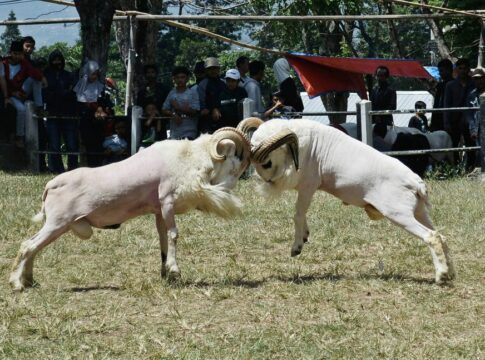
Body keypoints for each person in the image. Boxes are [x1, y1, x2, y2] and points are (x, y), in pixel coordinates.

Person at [1, 40, 44, 148]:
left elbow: (34, 73)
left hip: (21, 90)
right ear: (10, 53)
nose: (17, 56)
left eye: (19, 54)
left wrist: (42, 78)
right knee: (21, 110)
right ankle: (19, 137)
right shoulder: (3, 64)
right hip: (10, 94)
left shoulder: (24, 63)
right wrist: (12, 93)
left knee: (35, 79)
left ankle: (40, 106)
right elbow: (3, 83)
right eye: (15, 53)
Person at [42, 49, 78, 173]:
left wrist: (59, 94)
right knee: (54, 145)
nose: (57, 62)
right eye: (54, 60)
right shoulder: (45, 76)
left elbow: (73, 94)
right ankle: (57, 170)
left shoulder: (69, 75)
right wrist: (62, 93)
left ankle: (73, 169)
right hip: (53, 114)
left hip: (68, 114)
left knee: (72, 145)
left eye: (59, 59)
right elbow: (45, 94)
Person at [74, 60, 113, 167]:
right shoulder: (80, 87)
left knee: (99, 147)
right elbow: (79, 104)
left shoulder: (101, 87)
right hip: (86, 123)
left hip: (99, 124)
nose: (94, 76)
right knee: (89, 147)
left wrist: (102, 108)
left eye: (96, 74)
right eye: (92, 74)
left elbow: (106, 102)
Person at [443, 58, 475, 168]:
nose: (462, 71)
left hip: (470, 120)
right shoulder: (450, 85)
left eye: (465, 68)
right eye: (460, 68)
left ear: (468, 69)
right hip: (454, 120)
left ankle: (470, 168)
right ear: (457, 70)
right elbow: (446, 104)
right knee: (453, 146)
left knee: (471, 145)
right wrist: (446, 122)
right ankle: (455, 168)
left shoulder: (474, 83)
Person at [162, 66, 200, 140]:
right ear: (174, 79)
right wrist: (173, 114)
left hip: (190, 133)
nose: (180, 80)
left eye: (182, 77)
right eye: (177, 77)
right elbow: (164, 109)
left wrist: (179, 108)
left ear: (187, 78)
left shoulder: (193, 93)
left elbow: (195, 111)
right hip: (174, 134)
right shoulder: (171, 93)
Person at [136, 64, 169, 140]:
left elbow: (167, 104)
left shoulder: (163, 89)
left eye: (152, 72)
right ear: (145, 75)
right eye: (148, 72)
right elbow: (139, 106)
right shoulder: (142, 91)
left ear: (156, 74)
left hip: (161, 121)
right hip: (146, 122)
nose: (150, 74)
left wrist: (158, 114)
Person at [197, 57, 226, 134]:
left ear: (218, 69)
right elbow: (201, 105)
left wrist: (219, 109)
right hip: (207, 121)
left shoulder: (223, 83)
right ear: (206, 70)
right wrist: (212, 110)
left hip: (223, 119)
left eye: (215, 68)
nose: (213, 71)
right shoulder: (202, 85)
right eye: (210, 69)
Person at [431, 59, 454, 131]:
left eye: (441, 71)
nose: (440, 73)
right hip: (438, 120)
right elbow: (437, 104)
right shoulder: (440, 85)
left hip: (450, 121)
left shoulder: (455, 85)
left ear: (449, 70)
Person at [467, 67, 485, 146]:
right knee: (479, 152)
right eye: (476, 79)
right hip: (478, 130)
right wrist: (472, 130)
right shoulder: (471, 95)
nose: (479, 81)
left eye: (480, 78)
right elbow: (470, 114)